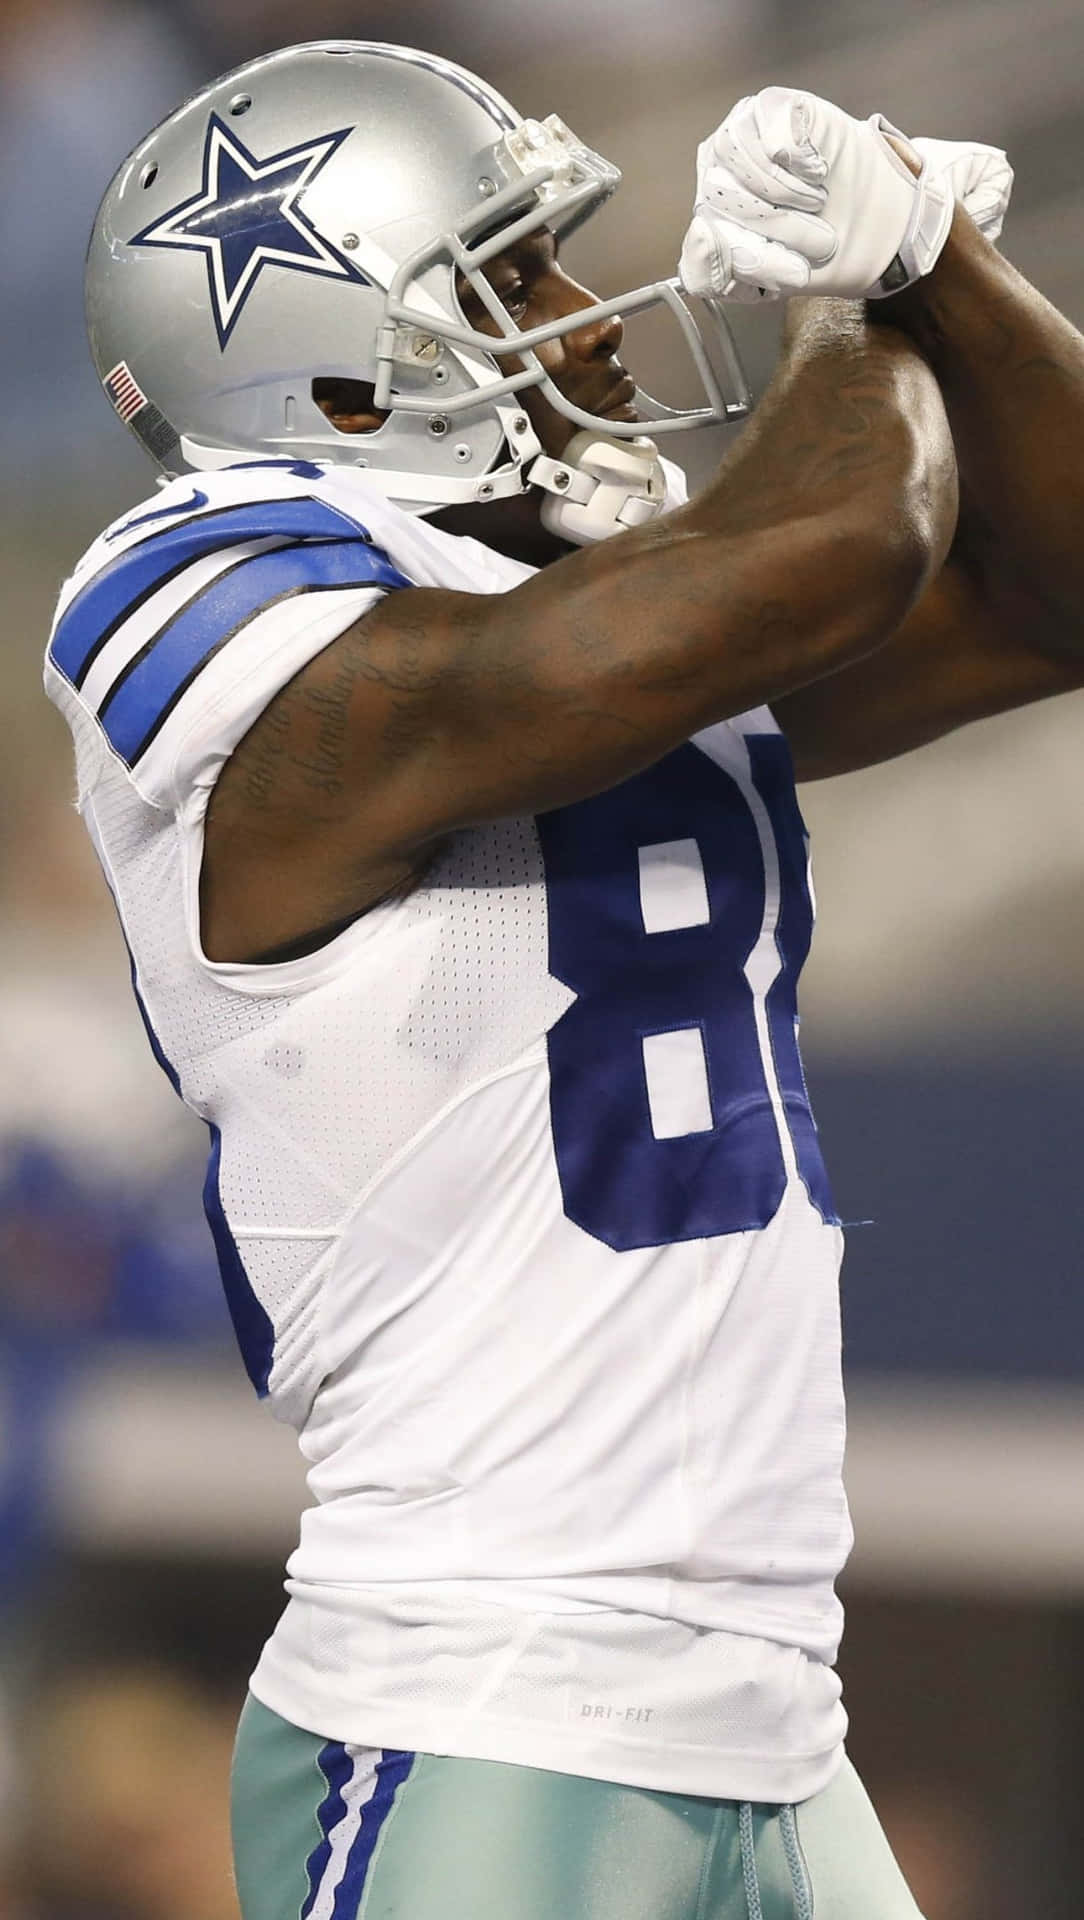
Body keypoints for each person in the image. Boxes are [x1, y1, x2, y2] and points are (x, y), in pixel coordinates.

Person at [42, 43, 1084, 1920]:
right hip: (483, 1688)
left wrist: (944, 263)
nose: (582, 323)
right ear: (335, 361)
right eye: (505, 281)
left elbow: (1058, 590)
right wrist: (852, 302)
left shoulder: (564, 617)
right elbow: (830, 546)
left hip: (770, 1704)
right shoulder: (222, 614)